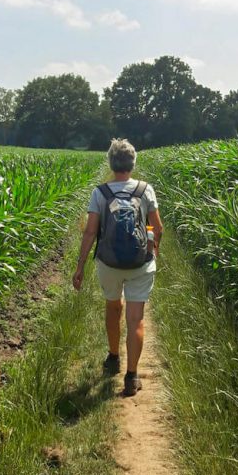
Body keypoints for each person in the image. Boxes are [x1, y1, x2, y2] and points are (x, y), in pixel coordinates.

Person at [72, 138, 163, 397]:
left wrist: (80, 267)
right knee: (136, 318)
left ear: (110, 163)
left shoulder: (100, 193)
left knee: (113, 306)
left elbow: (90, 232)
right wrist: (153, 253)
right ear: (133, 163)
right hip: (140, 265)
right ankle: (132, 377)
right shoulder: (146, 190)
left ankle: (113, 357)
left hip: (108, 264)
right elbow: (157, 228)